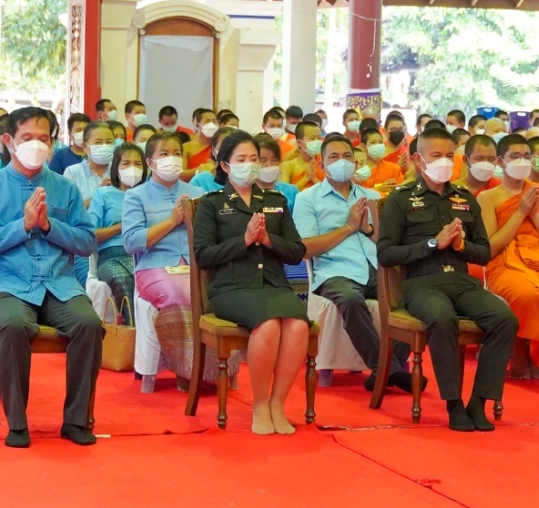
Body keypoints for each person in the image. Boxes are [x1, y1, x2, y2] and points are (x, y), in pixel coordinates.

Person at [0, 107, 102, 447]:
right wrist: (22, 226)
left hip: (59, 284)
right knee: (13, 325)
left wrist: (49, 226)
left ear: (52, 142)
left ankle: (75, 420)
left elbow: (87, 242)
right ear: (8, 141)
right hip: (8, 285)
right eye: (27, 138)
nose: (36, 145)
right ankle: (17, 423)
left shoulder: (65, 188)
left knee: (89, 325)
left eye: (43, 138)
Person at [376, 126, 516, 432]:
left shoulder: (465, 198)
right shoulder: (401, 199)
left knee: (505, 319)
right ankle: (454, 403)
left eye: (450, 155)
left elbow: (484, 253)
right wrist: (432, 244)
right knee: (442, 318)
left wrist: (462, 246)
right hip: (422, 284)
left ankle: (478, 401)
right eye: (436, 155)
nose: (444, 161)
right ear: (418, 159)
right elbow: (385, 254)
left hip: (462, 283)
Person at [190, 131, 310, 435]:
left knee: (298, 326)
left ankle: (277, 403)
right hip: (231, 287)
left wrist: (269, 240)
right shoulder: (212, 203)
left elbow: (296, 252)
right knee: (268, 325)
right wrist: (243, 240)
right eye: (241, 159)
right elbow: (203, 256)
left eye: (254, 159)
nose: (249, 165)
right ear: (225, 166)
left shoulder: (275, 201)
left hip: (273, 284)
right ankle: (259, 404)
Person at [296, 133, 405, 392]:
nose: (341, 162)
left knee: (414, 299)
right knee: (351, 299)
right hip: (335, 271)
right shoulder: (307, 199)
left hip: (376, 268)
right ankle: (388, 370)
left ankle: (386, 370)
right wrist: (348, 227)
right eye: (334, 157)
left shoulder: (372, 196)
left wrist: (367, 229)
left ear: (355, 163)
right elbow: (306, 249)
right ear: (322, 164)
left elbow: (387, 242)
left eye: (347, 156)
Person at [476, 130, 539, 381]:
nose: (522, 161)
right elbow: (491, 247)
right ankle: (519, 353)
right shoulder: (488, 197)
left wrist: (534, 214)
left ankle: (538, 355)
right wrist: (520, 212)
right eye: (515, 156)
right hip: (504, 262)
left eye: (527, 156)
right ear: (500, 162)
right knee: (526, 295)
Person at [124, 133, 205, 392]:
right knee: (179, 295)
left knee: (216, 293)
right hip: (154, 266)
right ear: (150, 162)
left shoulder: (198, 193)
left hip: (195, 264)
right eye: (164, 154)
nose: (172, 159)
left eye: (177, 153)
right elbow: (131, 242)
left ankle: (212, 371)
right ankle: (186, 370)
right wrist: (171, 222)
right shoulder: (136, 196)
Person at [92, 142, 143, 320]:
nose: (132, 168)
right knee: (123, 280)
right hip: (111, 256)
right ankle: (132, 332)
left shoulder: (148, 193)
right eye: (126, 163)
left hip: (145, 255)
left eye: (138, 164)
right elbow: (91, 234)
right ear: (116, 168)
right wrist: (123, 225)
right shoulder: (104, 194)